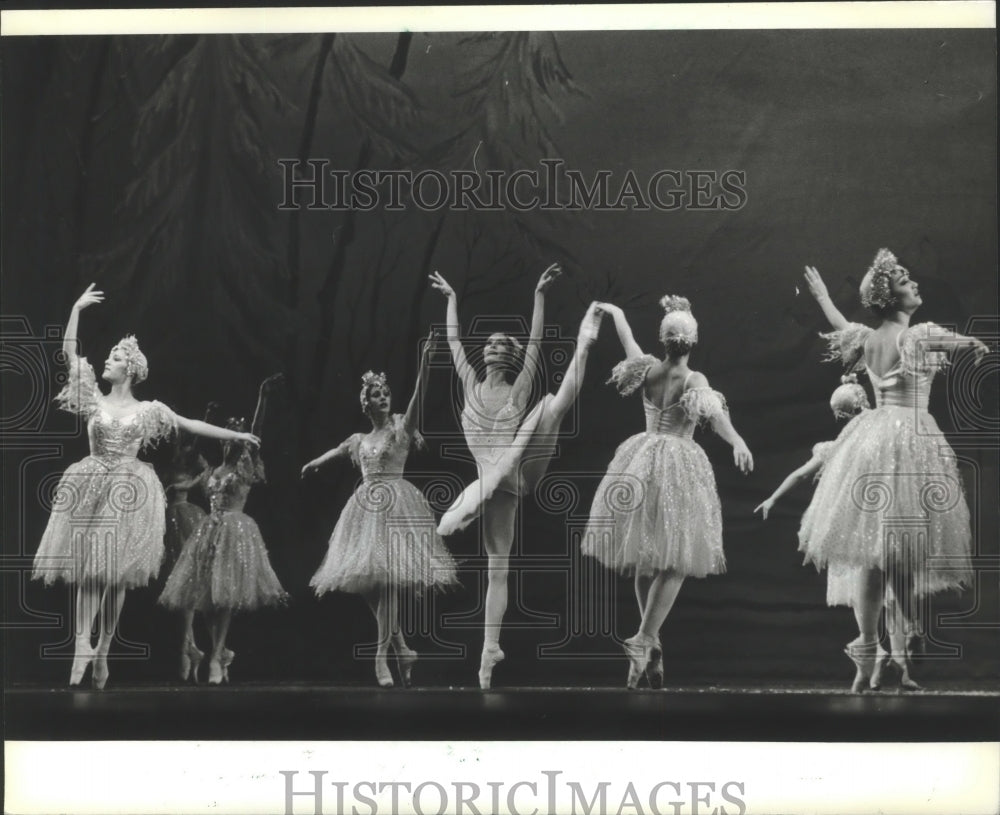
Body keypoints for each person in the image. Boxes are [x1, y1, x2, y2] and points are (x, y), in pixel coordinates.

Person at [32, 283, 260, 689]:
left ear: (131, 370)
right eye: (109, 355)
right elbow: (69, 352)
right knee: (90, 571)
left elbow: (190, 424)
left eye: (115, 357)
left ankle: (103, 651)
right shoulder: (94, 399)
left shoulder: (149, 409)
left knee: (116, 575)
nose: (108, 360)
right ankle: (82, 643)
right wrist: (75, 309)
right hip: (91, 483)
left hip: (128, 492)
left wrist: (237, 436)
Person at [797, 253, 987, 691]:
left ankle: (873, 647)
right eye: (905, 280)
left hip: (874, 439)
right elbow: (947, 341)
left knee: (876, 552)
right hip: (910, 440)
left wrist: (824, 297)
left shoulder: (867, 340)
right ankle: (904, 637)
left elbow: (842, 326)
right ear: (889, 297)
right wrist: (972, 344)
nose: (914, 283)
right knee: (896, 547)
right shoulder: (917, 335)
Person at [429, 265, 604, 688]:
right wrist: (453, 297)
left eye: (501, 344)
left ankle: (584, 346)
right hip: (490, 484)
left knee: (553, 406)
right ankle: (489, 651)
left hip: (517, 466)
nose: (492, 347)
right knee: (496, 569)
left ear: (509, 355)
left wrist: (539, 297)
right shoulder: (469, 382)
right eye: (488, 342)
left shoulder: (518, 388)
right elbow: (453, 341)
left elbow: (536, 343)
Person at [581, 296, 753, 689]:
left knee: (646, 556)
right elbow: (715, 415)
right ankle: (643, 639)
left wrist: (616, 313)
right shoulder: (694, 380)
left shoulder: (646, 370)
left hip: (641, 460)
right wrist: (738, 441)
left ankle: (650, 642)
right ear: (693, 342)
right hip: (676, 464)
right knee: (674, 559)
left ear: (663, 340)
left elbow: (627, 341)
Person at [303, 333, 458, 688]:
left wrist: (425, 360)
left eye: (386, 393)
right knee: (366, 583)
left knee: (386, 583)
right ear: (366, 403)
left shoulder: (401, 430)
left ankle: (380, 658)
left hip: (397, 506)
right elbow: (339, 451)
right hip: (366, 507)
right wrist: (314, 463)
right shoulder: (360, 439)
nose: (383, 397)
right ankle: (402, 648)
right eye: (376, 394)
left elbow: (419, 396)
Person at [755, 375, 922, 690]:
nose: (839, 419)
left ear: (846, 413)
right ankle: (888, 666)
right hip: (866, 531)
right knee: (883, 602)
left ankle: (882, 662)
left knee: (870, 601)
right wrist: (773, 497)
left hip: (859, 533)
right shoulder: (857, 441)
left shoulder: (853, 443)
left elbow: (800, 474)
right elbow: (801, 474)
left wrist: (773, 498)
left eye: (840, 414)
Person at [158, 374, 286, 685]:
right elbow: (185, 474)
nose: (230, 440)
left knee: (226, 596)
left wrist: (262, 398)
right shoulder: (211, 472)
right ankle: (219, 651)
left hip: (235, 531)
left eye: (236, 436)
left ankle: (216, 653)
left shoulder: (246, 464)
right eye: (227, 436)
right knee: (207, 599)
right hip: (209, 533)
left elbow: (257, 432)